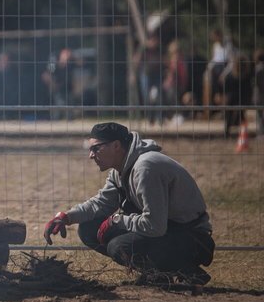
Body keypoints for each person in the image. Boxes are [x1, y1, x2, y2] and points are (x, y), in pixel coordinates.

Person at [43, 122, 215, 286]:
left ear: (116, 145)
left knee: (119, 247)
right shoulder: (121, 169)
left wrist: (117, 221)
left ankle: (187, 272)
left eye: (96, 148)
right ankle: (157, 274)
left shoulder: (145, 168)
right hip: (169, 231)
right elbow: (101, 203)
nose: (91, 155)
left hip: (192, 239)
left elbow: (155, 226)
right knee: (88, 228)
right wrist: (66, 217)